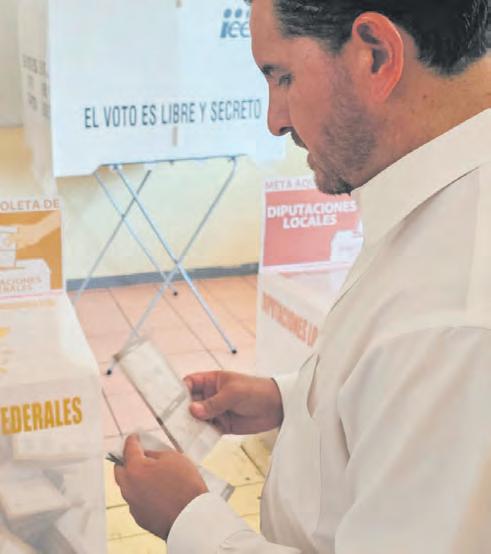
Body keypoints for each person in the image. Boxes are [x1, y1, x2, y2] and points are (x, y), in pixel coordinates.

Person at [114, 0, 491, 552]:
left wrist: (188, 520)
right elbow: (397, 393)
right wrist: (290, 399)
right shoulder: (441, 209)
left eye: (283, 77)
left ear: (375, 55)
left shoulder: (452, 317)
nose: (275, 120)